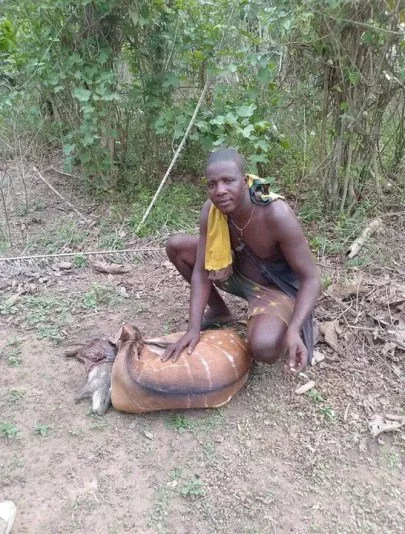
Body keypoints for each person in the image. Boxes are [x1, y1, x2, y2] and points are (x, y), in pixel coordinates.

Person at [163, 148, 321, 375]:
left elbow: (311, 279)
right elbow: (201, 269)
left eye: (228, 181)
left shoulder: (276, 213)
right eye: (212, 184)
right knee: (177, 246)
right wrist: (193, 329)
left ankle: (280, 319)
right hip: (233, 271)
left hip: (272, 289)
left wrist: (294, 329)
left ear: (245, 181)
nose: (220, 191)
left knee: (264, 348)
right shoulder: (211, 211)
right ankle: (219, 311)